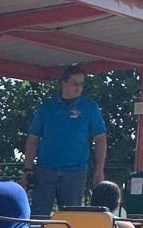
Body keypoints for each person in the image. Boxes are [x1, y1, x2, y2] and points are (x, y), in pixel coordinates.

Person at [22, 65, 108, 211]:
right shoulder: (46, 108)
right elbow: (33, 139)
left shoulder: (90, 107)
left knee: (71, 215)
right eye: (75, 83)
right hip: (45, 169)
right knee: (39, 215)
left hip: (75, 171)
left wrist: (99, 169)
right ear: (63, 83)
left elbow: (100, 139)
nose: (78, 88)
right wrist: (27, 169)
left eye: (81, 84)